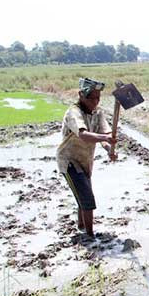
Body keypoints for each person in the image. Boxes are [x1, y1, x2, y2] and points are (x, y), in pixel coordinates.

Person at [56, 77, 118, 239]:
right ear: (81, 95)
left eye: (98, 98)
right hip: (68, 160)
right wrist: (104, 139)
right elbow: (83, 135)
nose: (95, 102)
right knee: (87, 197)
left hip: (85, 160)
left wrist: (109, 149)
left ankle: (81, 226)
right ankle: (90, 236)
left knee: (82, 195)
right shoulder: (73, 112)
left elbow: (105, 135)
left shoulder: (97, 114)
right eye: (92, 98)